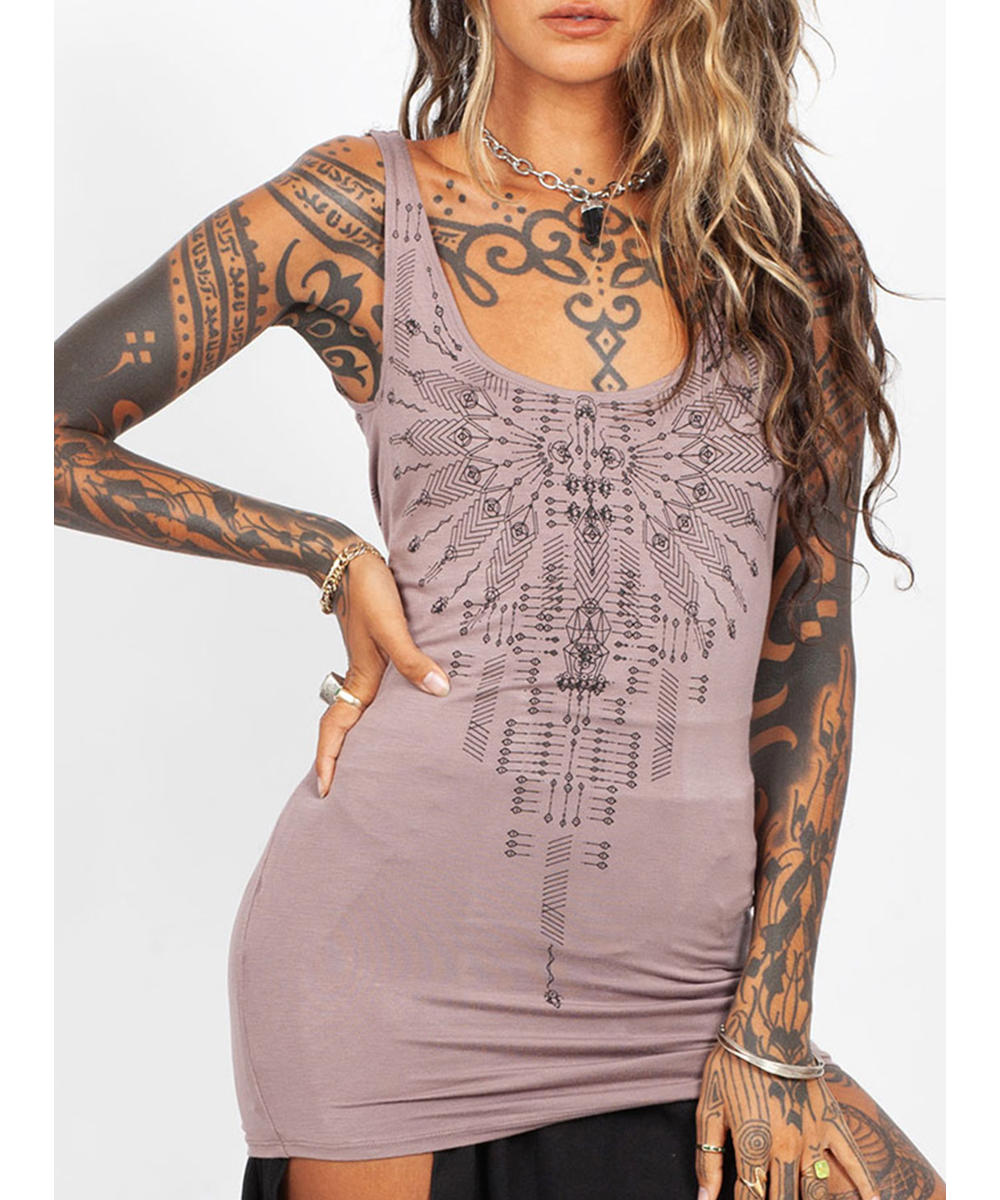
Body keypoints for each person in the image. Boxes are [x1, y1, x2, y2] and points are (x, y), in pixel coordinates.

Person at [54, 2, 945, 1198]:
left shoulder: (781, 249)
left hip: (689, 997)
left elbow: (810, 639)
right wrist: (323, 552)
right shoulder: (356, 212)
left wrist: (772, 1022)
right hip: (384, 986)